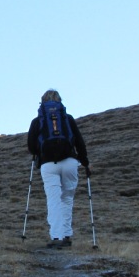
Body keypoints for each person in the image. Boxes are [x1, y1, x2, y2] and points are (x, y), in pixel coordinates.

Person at [27, 89, 90, 248]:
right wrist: (85, 162)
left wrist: (39, 153)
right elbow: (79, 142)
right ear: (60, 101)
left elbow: (31, 145)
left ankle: (56, 236)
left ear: (42, 102)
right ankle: (67, 235)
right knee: (67, 198)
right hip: (70, 162)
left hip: (48, 164)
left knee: (53, 200)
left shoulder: (37, 121)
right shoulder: (67, 119)